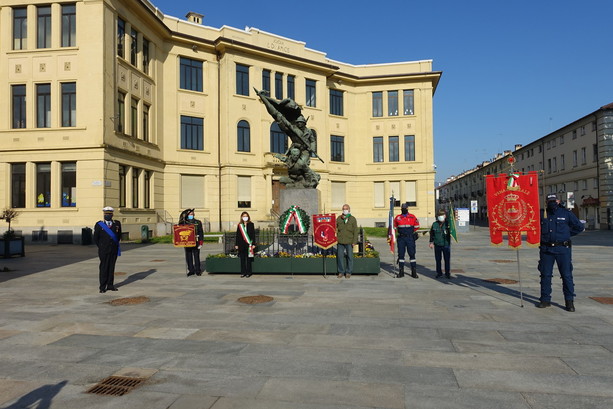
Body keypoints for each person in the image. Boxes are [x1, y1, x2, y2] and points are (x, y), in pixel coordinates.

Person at [537, 194, 584, 312]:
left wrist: (567, 235)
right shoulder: (542, 214)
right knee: (545, 275)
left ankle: (569, 301)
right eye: (550, 201)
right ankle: (545, 299)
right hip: (546, 249)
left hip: (563, 249)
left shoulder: (566, 213)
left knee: (566, 275)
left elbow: (579, 227)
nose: (552, 203)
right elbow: (534, 228)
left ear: (558, 201)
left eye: (554, 200)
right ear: (546, 202)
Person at [93, 206, 122, 293]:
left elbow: (119, 236)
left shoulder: (117, 224)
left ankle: (110, 285)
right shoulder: (99, 225)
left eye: (109, 214)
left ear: (112, 214)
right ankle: (102, 287)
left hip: (113, 249)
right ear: (104, 215)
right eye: (106, 214)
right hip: (103, 250)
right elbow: (96, 238)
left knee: (111, 267)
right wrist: (102, 246)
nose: (108, 216)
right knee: (104, 268)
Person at [394, 202, 420, 278]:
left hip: (410, 238)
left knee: (412, 254)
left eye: (405, 208)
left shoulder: (412, 217)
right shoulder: (398, 217)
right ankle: (401, 271)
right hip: (401, 238)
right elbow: (394, 227)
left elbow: (417, 226)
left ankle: (414, 272)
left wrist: (411, 232)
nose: (404, 209)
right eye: (402, 208)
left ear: (407, 208)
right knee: (401, 255)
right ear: (401, 209)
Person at [336, 204, 358, 279]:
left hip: (349, 241)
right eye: (343, 209)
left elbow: (355, 231)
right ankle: (341, 272)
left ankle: (348, 272)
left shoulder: (352, 219)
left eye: (346, 209)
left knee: (350, 257)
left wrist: (354, 241)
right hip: (340, 241)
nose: (345, 210)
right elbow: (335, 228)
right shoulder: (339, 218)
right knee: (340, 257)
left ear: (349, 210)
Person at [180, 209, 204, 276]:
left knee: (196, 256)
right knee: (188, 256)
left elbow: (201, 232)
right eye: (190, 214)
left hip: (196, 241)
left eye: (192, 214)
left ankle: (198, 270)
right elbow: (179, 230)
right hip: (187, 241)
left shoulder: (198, 222)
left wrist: (201, 242)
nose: (192, 215)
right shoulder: (184, 222)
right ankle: (191, 270)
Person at [429, 209, 452, 279]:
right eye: (439, 215)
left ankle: (447, 273)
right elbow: (432, 234)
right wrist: (431, 242)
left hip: (446, 244)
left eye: (442, 215)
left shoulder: (448, 224)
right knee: (438, 260)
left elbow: (452, 232)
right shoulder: (434, 224)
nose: (440, 217)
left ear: (445, 216)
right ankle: (439, 273)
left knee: (447, 260)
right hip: (437, 244)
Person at [235, 211, 256, 278]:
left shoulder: (251, 224)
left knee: (248, 259)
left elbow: (253, 235)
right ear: (241, 217)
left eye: (246, 216)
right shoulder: (240, 225)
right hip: (241, 244)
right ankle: (243, 272)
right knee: (242, 259)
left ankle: (248, 272)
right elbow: (237, 235)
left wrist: (253, 244)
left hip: (249, 244)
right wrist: (236, 244)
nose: (245, 217)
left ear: (248, 217)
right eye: (244, 216)